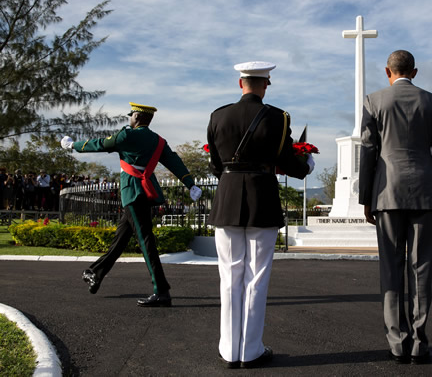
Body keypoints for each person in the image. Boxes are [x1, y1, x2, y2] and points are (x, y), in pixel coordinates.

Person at [207, 61, 313, 369]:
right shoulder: (278, 117)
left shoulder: (218, 115)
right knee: (256, 277)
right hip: (262, 200)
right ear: (265, 84)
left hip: (227, 200)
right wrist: (305, 166)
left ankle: (229, 351)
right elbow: (286, 160)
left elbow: (215, 165)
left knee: (229, 276)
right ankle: (250, 350)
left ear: (240, 84)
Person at [61, 102, 202, 307]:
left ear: (136, 116)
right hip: (146, 192)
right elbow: (174, 161)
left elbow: (100, 144)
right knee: (120, 240)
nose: (129, 118)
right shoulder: (158, 141)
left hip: (132, 193)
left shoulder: (127, 136)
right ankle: (95, 273)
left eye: (131, 115)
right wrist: (190, 183)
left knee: (146, 241)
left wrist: (72, 145)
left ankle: (161, 291)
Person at [358, 50, 432, 364]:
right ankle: (419, 344)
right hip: (426, 193)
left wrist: (366, 198)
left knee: (391, 268)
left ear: (388, 71)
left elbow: (368, 151)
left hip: (387, 194)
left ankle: (397, 343)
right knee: (421, 268)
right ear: (415, 71)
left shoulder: (374, 101)